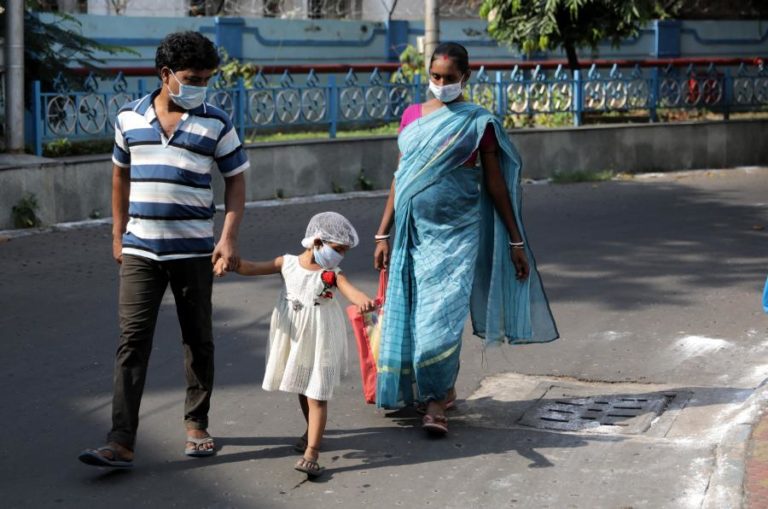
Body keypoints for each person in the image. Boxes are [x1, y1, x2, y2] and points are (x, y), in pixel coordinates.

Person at [78, 31, 248, 468]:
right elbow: (119, 175)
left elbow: (235, 179)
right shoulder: (128, 119)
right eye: (193, 78)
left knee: (198, 340)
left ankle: (197, 425)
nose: (200, 86)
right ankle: (121, 440)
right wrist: (117, 234)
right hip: (141, 252)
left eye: (207, 79)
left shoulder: (216, 121)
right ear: (166, 74)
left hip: (193, 251)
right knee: (132, 342)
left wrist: (227, 237)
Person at [373, 42, 559, 435]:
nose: (440, 84)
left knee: (441, 319)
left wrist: (515, 239)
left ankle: (436, 402)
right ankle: (435, 387)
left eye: (449, 78)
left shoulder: (478, 122)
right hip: (412, 234)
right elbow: (400, 178)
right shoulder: (411, 117)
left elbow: (494, 182)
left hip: (459, 236)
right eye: (435, 77)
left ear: (465, 78)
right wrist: (382, 232)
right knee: (414, 315)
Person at [214, 212, 375, 477]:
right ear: (318, 241)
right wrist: (227, 263)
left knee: (317, 394)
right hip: (297, 338)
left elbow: (350, 291)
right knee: (303, 387)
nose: (340, 256)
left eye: (344, 252)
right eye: (337, 249)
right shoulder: (286, 263)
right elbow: (250, 267)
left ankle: (312, 452)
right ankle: (312, 431)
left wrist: (363, 301)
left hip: (322, 337)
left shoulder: (332, 273)